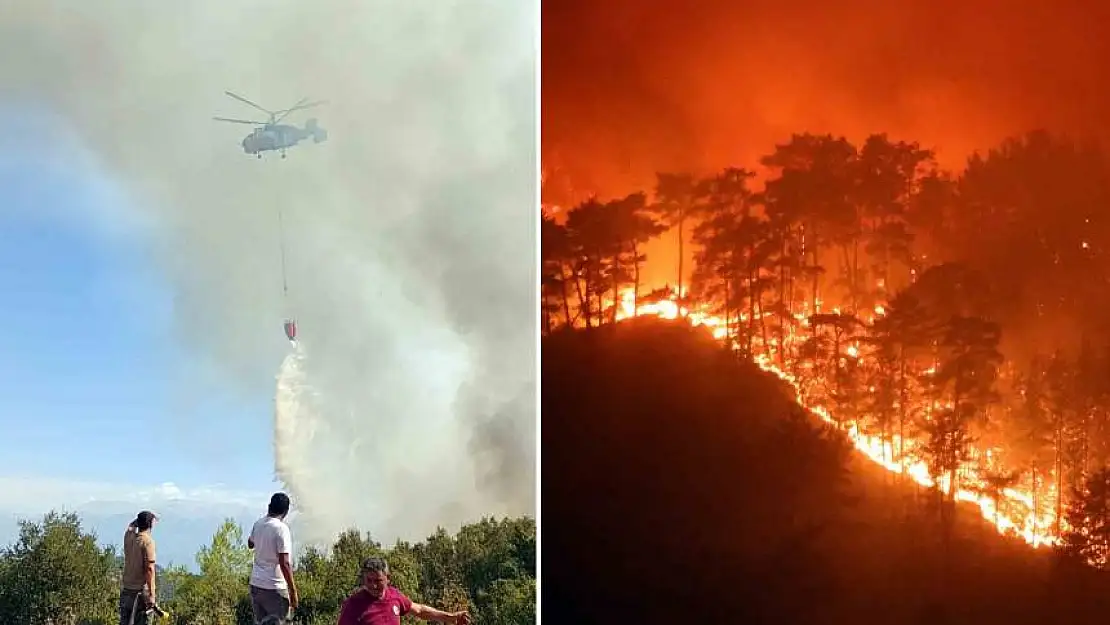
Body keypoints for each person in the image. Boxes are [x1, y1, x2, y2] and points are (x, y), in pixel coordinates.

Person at [338, 557, 471, 625]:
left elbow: (420, 610)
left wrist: (451, 617)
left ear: (388, 578)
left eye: (378, 581)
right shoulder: (353, 604)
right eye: (369, 580)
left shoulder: (394, 595)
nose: (373, 586)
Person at [248, 492, 298, 624]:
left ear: (269, 506)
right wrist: (293, 591)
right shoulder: (281, 529)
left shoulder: (258, 524)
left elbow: (250, 543)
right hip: (274, 586)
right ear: (286, 511)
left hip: (256, 584)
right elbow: (284, 562)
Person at [119, 510, 157, 625]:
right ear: (150, 524)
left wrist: (138, 521)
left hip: (126, 591)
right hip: (140, 594)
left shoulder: (129, 537)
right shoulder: (147, 542)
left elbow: (130, 527)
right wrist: (151, 595)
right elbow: (149, 569)